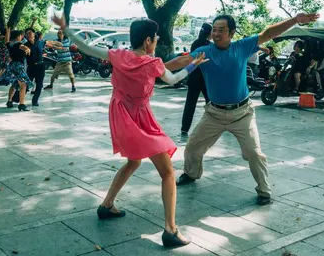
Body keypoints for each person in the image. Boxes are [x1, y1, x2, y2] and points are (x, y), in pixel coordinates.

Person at [52, 13, 208, 248]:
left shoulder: (118, 56)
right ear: (147, 40)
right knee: (167, 172)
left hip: (120, 116)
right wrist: (194, 65)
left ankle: (106, 205)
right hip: (140, 118)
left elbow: (85, 47)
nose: (156, 41)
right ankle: (171, 230)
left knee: (133, 161)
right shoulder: (153, 63)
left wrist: (67, 27)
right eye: (155, 38)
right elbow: (174, 79)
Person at [168, 12, 319, 206]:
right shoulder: (205, 52)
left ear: (231, 33)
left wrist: (295, 20)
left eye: (221, 30)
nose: (216, 34)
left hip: (242, 114)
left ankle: (264, 191)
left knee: (254, 153)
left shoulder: (242, 47)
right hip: (213, 113)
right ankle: (191, 173)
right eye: (214, 30)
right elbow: (183, 61)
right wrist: (158, 67)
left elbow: (269, 33)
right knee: (192, 147)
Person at [181, 23, 212, 135]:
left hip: (194, 77)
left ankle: (184, 128)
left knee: (190, 103)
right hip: (205, 78)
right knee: (211, 103)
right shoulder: (209, 46)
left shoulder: (195, 43)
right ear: (209, 33)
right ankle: (214, 125)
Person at [1, 29, 32, 111]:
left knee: (15, 84)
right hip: (18, 66)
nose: (22, 37)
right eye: (22, 35)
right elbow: (22, 46)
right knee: (24, 85)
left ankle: (9, 101)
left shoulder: (10, 44)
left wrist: (7, 31)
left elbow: (6, 41)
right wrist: (27, 49)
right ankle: (22, 104)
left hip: (12, 66)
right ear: (19, 36)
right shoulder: (18, 44)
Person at [44, 28, 76, 93]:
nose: (59, 34)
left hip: (67, 62)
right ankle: (51, 85)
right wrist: (55, 47)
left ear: (63, 34)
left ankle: (73, 86)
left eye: (60, 33)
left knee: (71, 76)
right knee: (53, 76)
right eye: (58, 33)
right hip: (60, 62)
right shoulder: (55, 41)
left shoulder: (67, 40)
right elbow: (49, 45)